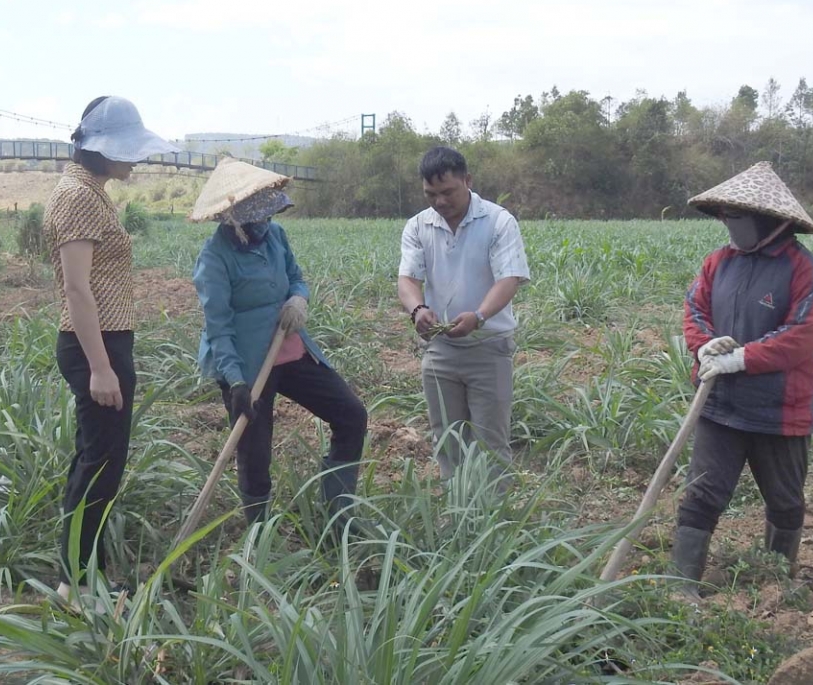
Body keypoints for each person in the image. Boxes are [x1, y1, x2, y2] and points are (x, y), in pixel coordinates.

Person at [674, 161, 813, 597]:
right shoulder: (718, 263)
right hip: (720, 404)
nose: (729, 223)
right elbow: (695, 310)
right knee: (701, 496)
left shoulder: (805, 270)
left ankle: (776, 581)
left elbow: (801, 336)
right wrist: (704, 345)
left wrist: (744, 358)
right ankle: (680, 588)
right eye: (726, 214)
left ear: (770, 220)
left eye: (737, 215)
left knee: (785, 501)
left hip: (779, 411)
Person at [44, 96, 180, 602]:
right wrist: (102, 368)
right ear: (100, 150)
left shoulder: (88, 190)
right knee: (99, 466)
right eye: (127, 149)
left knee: (99, 462)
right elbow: (76, 289)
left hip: (104, 341)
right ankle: (76, 586)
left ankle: (86, 576)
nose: (134, 159)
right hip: (94, 346)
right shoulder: (78, 196)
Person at [190, 159, 368, 531]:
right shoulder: (214, 260)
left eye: (268, 216)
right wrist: (237, 383)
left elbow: (296, 279)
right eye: (257, 219)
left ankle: (339, 515)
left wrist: (298, 299)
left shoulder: (276, 237)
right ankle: (260, 535)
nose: (265, 224)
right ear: (234, 219)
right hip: (245, 363)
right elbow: (219, 328)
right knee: (254, 455)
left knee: (351, 414)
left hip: (289, 350)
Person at [397, 146, 530, 483]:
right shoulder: (418, 225)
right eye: (431, 194)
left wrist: (479, 316)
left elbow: (509, 278)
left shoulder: (498, 221)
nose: (440, 202)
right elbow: (408, 279)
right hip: (441, 348)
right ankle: (455, 517)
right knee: (447, 439)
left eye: (447, 192)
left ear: (467, 181)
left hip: (489, 346)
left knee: (490, 443)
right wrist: (417, 309)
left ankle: (493, 523)